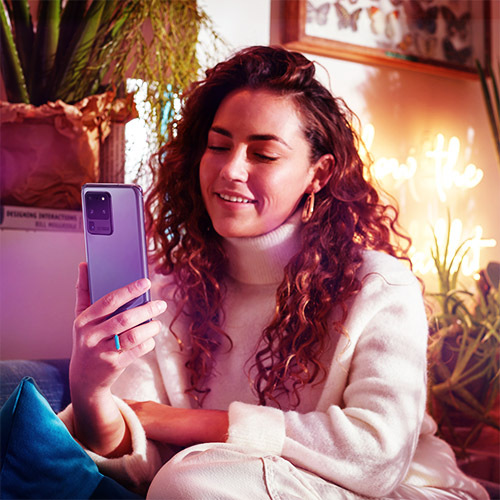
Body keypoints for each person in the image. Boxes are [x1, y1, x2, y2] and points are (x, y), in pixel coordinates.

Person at [60, 46, 488, 499]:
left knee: (191, 483)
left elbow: (375, 455)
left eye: (263, 154)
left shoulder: (379, 286)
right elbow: (140, 458)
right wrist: (89, 389)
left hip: (401, 490)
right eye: (218, 145)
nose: (230, 169)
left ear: (318, 174)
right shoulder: (168, 294)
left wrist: (184, 422)